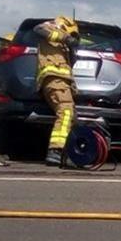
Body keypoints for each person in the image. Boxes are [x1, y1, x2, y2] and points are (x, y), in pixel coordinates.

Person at [33, 16, 79, 166]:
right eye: (72, 34)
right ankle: (55, 151)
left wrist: (71, 48)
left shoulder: (63, 45)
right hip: (54, 79)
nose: (72, 38)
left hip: (62, 82)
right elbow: (38, 29)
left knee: (70, 116)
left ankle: (67, 154)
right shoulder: (50, 29)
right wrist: (65, 38)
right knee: (65, 112)